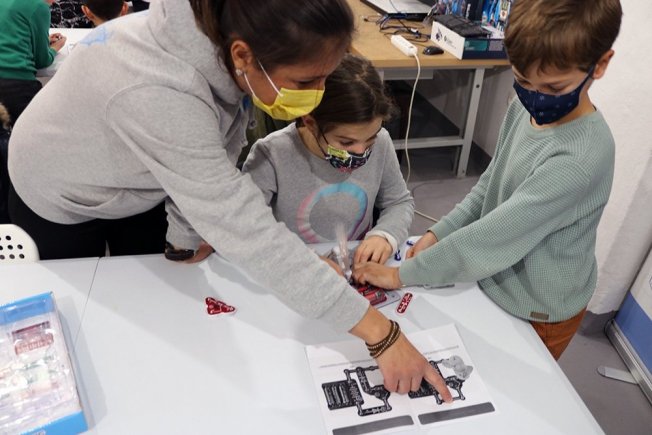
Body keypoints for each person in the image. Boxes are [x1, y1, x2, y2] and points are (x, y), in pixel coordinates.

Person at [8, 0, 452, 399]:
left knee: (160, 299)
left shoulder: (225, 46)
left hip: (142, 180)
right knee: (91, 320)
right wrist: (381, 335)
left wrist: (184, 235)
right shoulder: (161, 89)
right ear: (242, 56)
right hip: (60, 189)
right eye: (306, 80)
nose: (317, 94)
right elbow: (244, 227)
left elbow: (215, 147)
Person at [353, 0, 622, 360]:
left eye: (554, 88)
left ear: (600, 65)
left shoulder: (579, 158)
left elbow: (497, 235)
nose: (535, 97)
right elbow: (490, 184)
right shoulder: (524, 107)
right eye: (522, 81)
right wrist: (440, 231)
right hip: (497, 278)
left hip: (538, 306)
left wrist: (401, 275)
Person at [242, 54, 414, 266]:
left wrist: (385, 235)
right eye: (346, 142)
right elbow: (247, 224)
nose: (360, 151)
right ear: (311, 123)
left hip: (356, 261)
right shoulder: (271, 155)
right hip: (293, 264)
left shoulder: (382, 143)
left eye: (370, 139)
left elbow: (399, 202)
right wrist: (305, 262)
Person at [0, 0, 66, 223]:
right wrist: (54, 48)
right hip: (16, 86)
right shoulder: (37, 6)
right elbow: (41, 59)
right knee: (26, 159)